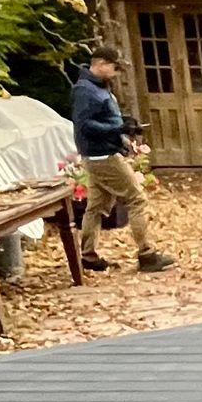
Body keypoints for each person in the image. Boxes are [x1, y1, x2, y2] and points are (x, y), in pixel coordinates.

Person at [71, 50, 172, 273]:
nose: (116, 73)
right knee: (137, 200)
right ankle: (147, 255)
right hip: (103, 156)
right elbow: (85, 126)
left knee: (95, 207)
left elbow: (101, 118)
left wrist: (124, 124)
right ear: (100, 64)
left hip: (98, 154)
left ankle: (88, 256)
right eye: (114, 67)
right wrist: (118, 128)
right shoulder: (84, 90)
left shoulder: (96, 87)